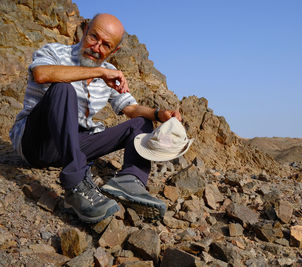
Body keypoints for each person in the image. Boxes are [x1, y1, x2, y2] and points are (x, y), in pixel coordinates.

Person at [9, 13, 182, 223]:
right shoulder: (55, 51)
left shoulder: (108, 72)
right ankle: (75, 183)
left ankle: (130, 180)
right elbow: (42, 74)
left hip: (71, 143)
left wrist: (158, 114)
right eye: (93, 37)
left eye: (105, 45)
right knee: (63, 89)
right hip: (36, 143)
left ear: (114, 50)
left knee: (141, 123)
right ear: (85, 31)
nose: (96, 47)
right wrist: (99, 72)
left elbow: (130, 107)